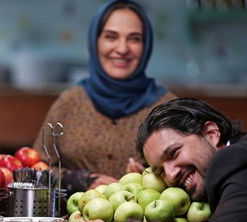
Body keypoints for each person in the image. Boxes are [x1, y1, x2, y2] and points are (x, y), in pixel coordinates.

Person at [33, 0, 176, 196]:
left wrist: (155, 180)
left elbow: (190, 176)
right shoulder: (70, 103)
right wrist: (82, 180)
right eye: (111, 36)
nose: (122, 48)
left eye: (134, 39)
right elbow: (36, 169)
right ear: (95, 41)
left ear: (147, 45)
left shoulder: (168, 109)